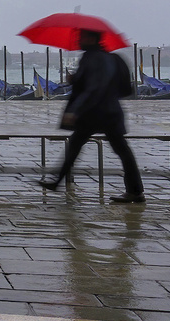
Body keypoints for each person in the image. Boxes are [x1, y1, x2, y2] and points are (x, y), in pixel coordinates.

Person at [40, 29, 144, 202]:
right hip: (110, 111)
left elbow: (94, 88)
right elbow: (115, 87)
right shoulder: (110, 58)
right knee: (121, 151)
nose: (79, 40)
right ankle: (135, 191)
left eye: (82, 37)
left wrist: (75, 111)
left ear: (91, 38)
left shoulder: (92, 58)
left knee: (76, 146)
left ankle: (57, 181)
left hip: (95, 113)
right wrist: (76, 80)